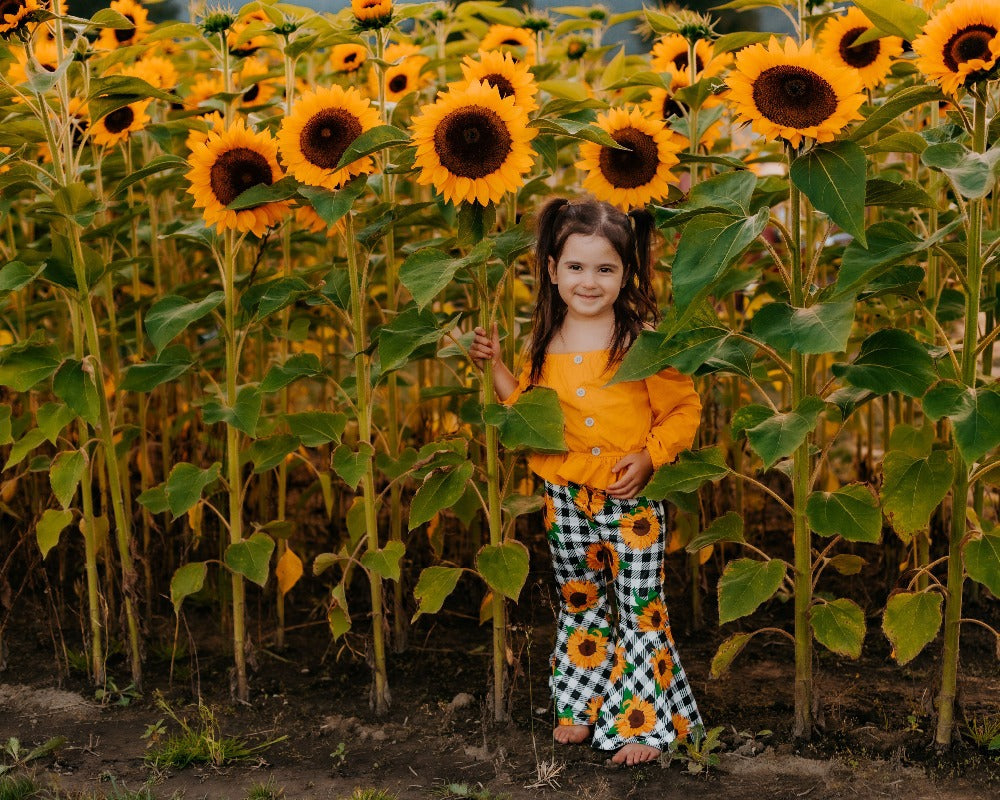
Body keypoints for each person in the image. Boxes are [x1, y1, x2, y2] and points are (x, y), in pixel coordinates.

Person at [469, 197, 704, 766]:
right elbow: (530, 410)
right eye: (576, 267)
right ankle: (581, 701)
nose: (590, 281)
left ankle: (641, 726)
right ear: (551, 269)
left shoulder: (641, 339)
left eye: (606, 268)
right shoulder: (545, 339)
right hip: (566, 494)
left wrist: (650, 457)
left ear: (627, 273)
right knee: (581, 599)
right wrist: (494, 367)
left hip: (632, 497)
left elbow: (684, 409)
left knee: (639, 604)